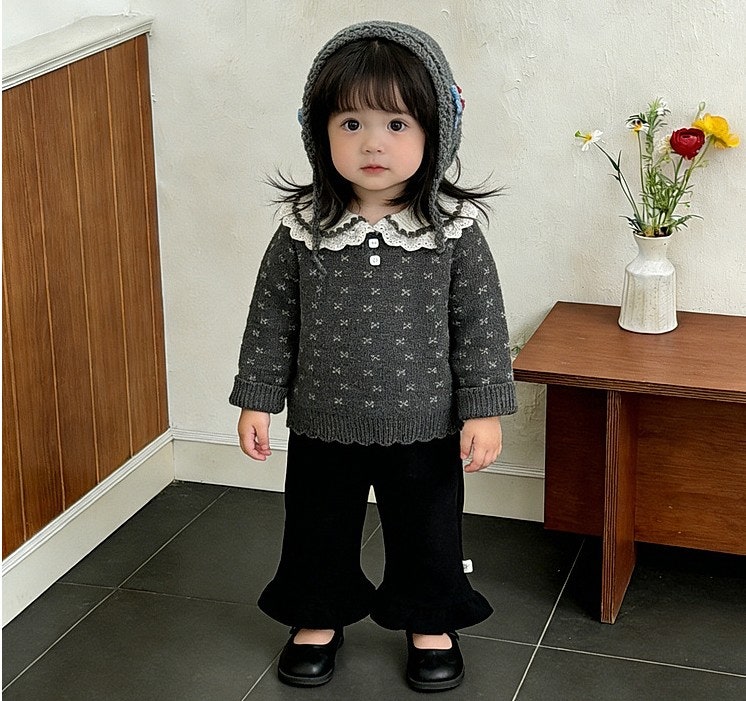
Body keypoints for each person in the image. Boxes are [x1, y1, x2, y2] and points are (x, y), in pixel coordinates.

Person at [229, 20, 517, 692]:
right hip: (323, 422)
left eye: (396, 123)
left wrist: (483, 411)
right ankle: (316, 614)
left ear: (436, 132)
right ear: (320, 133)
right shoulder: (303, 229)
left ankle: (430, 619)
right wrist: (257, 400)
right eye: (351, 123)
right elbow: (271, 320)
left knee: (428, 531)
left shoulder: (453, 233)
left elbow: (480, 326)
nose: (373, 143)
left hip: (426, 424)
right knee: (316, 527)